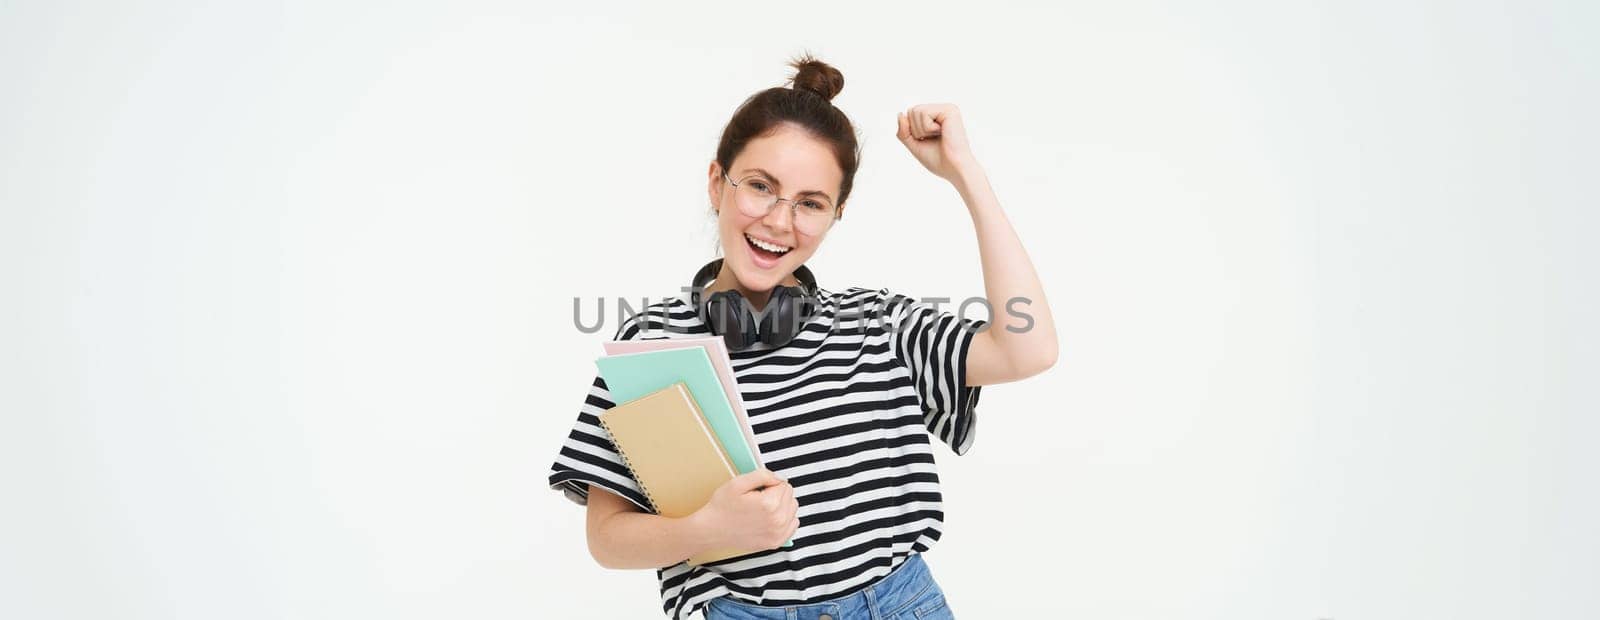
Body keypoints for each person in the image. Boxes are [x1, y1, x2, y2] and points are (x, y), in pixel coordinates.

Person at [546, 52, 1058, 620]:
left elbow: (1027, 348)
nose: (779, 221)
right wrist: (706, 528)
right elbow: (606, 537)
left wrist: (967, 174)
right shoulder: (652, 343)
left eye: (811, 203)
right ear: (718, 183)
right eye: (761, 186)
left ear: (837, 213)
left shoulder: (877, 325)